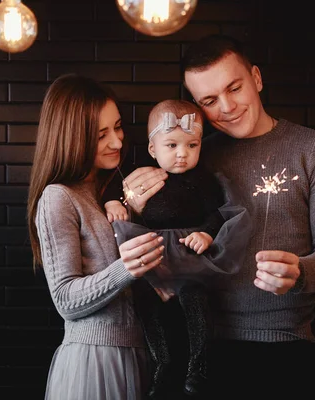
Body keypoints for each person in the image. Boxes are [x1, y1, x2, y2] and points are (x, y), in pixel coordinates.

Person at [121, 34, 315, 396]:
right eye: (209, 101)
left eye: (235, 88)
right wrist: (133, 203)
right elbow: (150, 225)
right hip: (196, 349)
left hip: (284, 348)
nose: (227, 106)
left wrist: (301, 271)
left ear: (256, 79)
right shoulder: (193, 155)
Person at [26, 73, 166, 400]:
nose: (117, 142)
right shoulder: (58, 197)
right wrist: (129, 267)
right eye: (101, 134)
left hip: (136, 353)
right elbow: (66, 300)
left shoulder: (107, 192)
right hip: (94, 361)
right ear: (71, 137)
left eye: (117, 127)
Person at [103, 99, 252, 399]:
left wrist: (207, 235)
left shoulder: (203, 180)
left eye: (192, 145)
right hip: (153, 253)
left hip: (187, 255)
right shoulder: (142, 174)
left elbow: (218, 214)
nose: (182, 154)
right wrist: (112, 202)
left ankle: (199, 362)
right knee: (146, 302)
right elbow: (115, 187)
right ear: (152, 150)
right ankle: (163, 362)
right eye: (171, 145)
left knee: (195, 298)